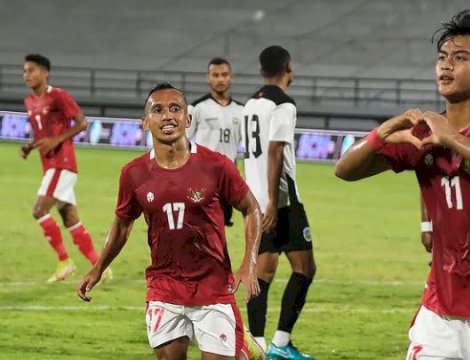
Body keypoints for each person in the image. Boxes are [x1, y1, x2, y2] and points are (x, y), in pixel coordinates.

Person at [335, 10, 470, 360]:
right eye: (443, 57)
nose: (446, 65)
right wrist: (384, 131)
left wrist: (451, 138)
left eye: (461, 58)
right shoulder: (421, 135)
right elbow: (345, 170)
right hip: (439, 304)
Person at [77, 82, 264, 360]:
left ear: (187, 119)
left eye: (175, 108)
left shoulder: (216, 165)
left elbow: (251, 208)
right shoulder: (133, 174)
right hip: (164, 287)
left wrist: (248, 262)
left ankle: (242, 345)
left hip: (212, 287)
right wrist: (98, 268)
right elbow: (122, 225)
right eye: (158, 110)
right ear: (145, 122)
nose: (167, 116)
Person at [242, 45, 316, 360]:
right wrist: (274, 201)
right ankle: (280, 344)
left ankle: (255, 344)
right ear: (289, 66)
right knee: (305, 268)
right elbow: (274, 151)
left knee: (264, 270)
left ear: (261, 71)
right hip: (281, 201)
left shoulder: (249, 104)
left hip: (254, 199)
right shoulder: (283, 104)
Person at [19, 54, 109, 283]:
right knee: (70, 217)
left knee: (39, 210)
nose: (26, 75)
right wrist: (30, 146)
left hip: (62, 163)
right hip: (49, 164)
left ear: (45, 72)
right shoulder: (29, 101)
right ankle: (101, 267)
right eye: (25, 71)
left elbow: (82, 123)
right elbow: (43, 134)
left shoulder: (58, 96)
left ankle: (64, 262)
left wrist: (58, 140)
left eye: (31, 70)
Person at [187, 57, 244, 227]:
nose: (220, 79)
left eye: (224, 75)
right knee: (200, 226)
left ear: (231, 77)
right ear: (208, 77)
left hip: (229, 177)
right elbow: (183, 142)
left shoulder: (241, 111)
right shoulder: (196, 108)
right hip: (202, 176)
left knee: (221, 227)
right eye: (215, 75)